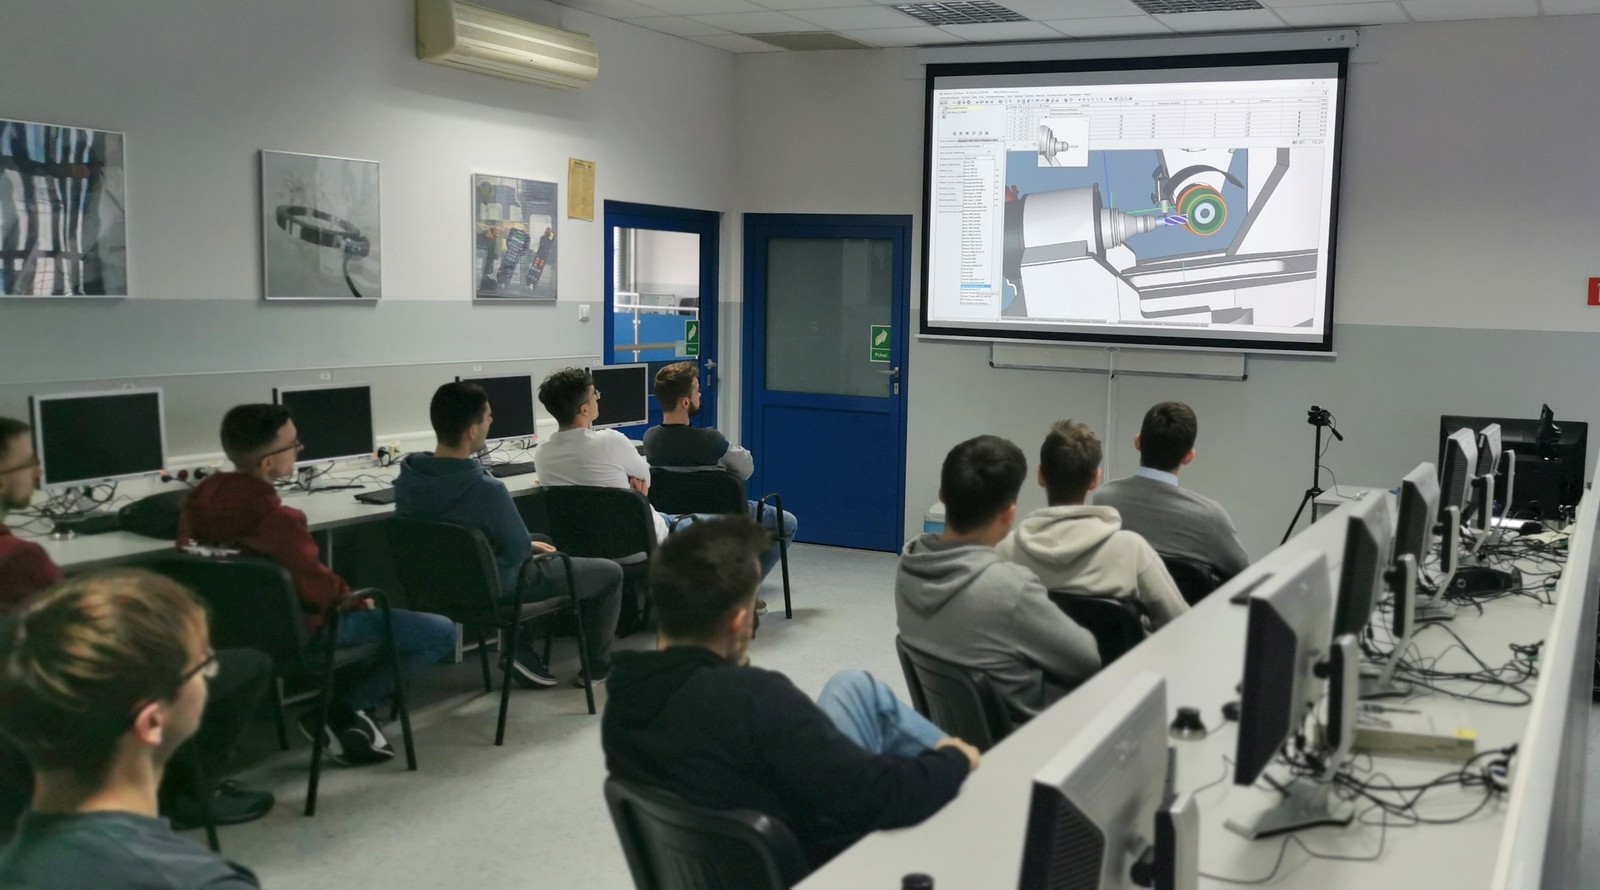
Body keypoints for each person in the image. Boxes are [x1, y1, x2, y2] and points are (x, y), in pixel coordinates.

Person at [603, 516, 978, 871]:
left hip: (733, 861)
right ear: (739, 622)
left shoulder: (624, 699)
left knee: (852, 687)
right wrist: (952, 759)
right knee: (953, 772)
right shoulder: (757, 701)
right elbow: (878, 797)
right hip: (818, 865)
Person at [0, 416, 274, 834]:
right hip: (75, 700)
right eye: (29, 463)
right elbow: (92, 636)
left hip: (23, 706)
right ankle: (189, 794)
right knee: (246, 664)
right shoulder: (18, 558)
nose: (39, 473)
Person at [177, 404, 456, 765]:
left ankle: (347, 715)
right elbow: (319, 590)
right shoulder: (279, 520)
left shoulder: (195, 505)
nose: (300, 449)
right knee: (439, 631)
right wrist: (357, 601)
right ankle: (342, 708)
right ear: (268, 463)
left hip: (232, 636)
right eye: (293, 444)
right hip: (302, 637)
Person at [0, 570, 260, 887]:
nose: (208, 673)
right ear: (151, 722)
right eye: (203, 664)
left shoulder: (16, 865)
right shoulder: (198, 882)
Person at [395, 382, 624, 687]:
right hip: (492, 589)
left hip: (436, 585)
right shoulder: (486, 489)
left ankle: (521, 651)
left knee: (541, 539)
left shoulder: (409, 478)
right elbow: (517, 552)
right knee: (609, 573)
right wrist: (527, 545)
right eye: (488, 416)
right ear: (472, 431)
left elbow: (462, 534)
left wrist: (529, 543)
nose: (491, 421)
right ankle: (597, 668)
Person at [896, 435, 1100, 723]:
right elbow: (1087, 660)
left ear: (942, 496)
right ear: (1009, 515)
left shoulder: (908, 567)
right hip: (1027, 737)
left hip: (950, 733)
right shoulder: (1010, 588)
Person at [997, 421, 1188, 630]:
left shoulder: (1004, 551)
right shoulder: (1131, 550)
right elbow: (1182, 623)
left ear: (1040, 475)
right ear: (1095, 479)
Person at [643, 361, 797, 611]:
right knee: (787, 523)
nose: (700, 395)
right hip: (725, 518)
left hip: (672, 518)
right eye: (697, 391)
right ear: (685, 402)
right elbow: (746, 470)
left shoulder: (650, 440)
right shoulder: (711, 441)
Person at [1091, 401, 1250, 580]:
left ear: (1138, 441)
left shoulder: (1104, 501)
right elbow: (1245, 576)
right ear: (1189, 456)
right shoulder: (1210, 519)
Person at [533, 367, 671, 544]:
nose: (598, 398)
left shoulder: (543, 454)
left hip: (585, 549)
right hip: (642, 539)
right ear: (584, 409)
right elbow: (645, 480)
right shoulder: (611, 441)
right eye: (595, 395)